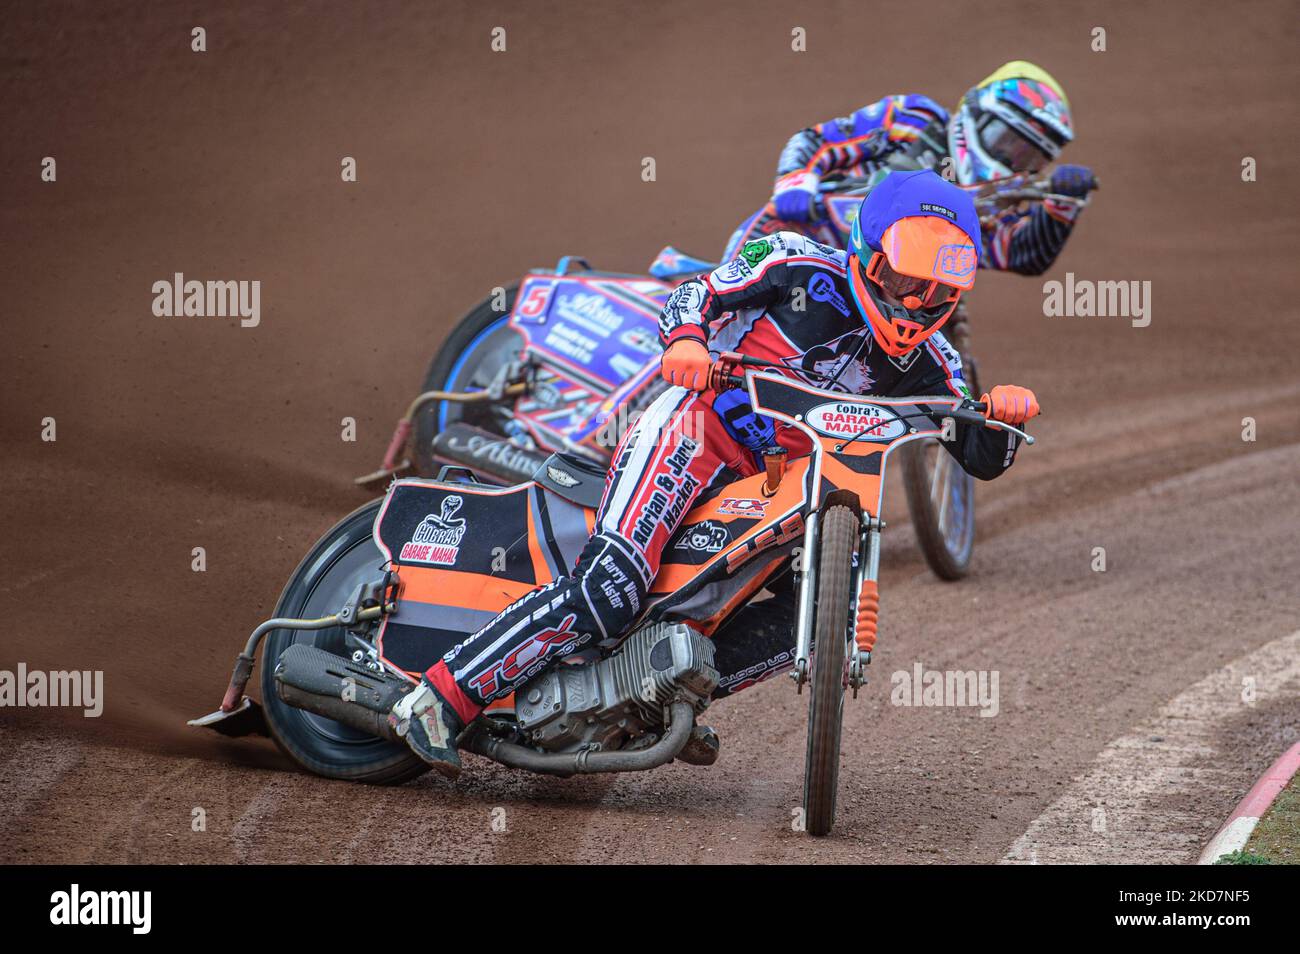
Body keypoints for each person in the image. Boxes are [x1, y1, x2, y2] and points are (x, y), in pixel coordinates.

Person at [389, 171, 1040, 778]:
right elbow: (697, 293)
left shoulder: (937, 361)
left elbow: (983, 457)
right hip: (697, 431)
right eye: (906, 282)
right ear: (868, 255)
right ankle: (441, 697)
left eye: (939, 294)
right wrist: (688, 341)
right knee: (610, 589)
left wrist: (1001, 414)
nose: (918, 305)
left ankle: (653, 698)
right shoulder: (794, 263)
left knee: (824, 623)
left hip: (778, 487)